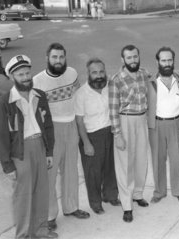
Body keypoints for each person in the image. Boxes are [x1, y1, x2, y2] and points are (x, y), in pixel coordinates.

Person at [0, 55, 58, 239]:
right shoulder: (4, 103)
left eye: (27, 73)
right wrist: (7, 165)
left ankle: (41, 230)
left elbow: (48, 125)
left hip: (40, 146)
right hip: (20, 153)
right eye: (20, 74)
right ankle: (23, 235)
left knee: (41, 192)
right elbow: (1, 136)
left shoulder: (40, 95)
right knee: (23, 196)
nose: (25, 77)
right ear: (12, 77)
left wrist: (49, 151)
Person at [33, 43, 90, 232]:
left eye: (61, 57)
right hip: (52, 130)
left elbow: (78, 97)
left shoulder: (72, 73)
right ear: (47, 58)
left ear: (65, 58)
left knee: (71, 170)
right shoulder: (38, 81)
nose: (58, 61)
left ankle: (71, 206)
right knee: (50, 174)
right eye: (54, 57)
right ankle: (49, 216)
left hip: (72, 125)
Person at [109, 45, 150, 223]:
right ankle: (126, 205)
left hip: (142, 120)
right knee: (125, 164)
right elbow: (112, 109)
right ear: (122, 60)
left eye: (135, 57)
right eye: (129, 58)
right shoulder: (116, 80)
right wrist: (117, 134)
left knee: (141, 160)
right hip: (125, 121)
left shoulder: (142, 74)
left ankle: (138, 194)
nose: (133, 60)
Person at [74, 58, 121, 215]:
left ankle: (111, 195)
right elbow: (79, 122)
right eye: (94, 72)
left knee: (111, 167)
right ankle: (95, 203)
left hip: (110, 132)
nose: (99, 75)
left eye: (101, 71)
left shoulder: (111, 87)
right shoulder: (81, 94)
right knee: (93, 173)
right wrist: (86, 143)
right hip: (91, 136)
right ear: (88, 74)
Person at [147, 47, 179, 204]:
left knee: (176, 159)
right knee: (158, 160)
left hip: (177, 124)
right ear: (157, 62)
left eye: (170, 60)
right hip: (157, 125)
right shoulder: (150, 83)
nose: (167, 63)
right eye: (163, 60)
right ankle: (159, 191)